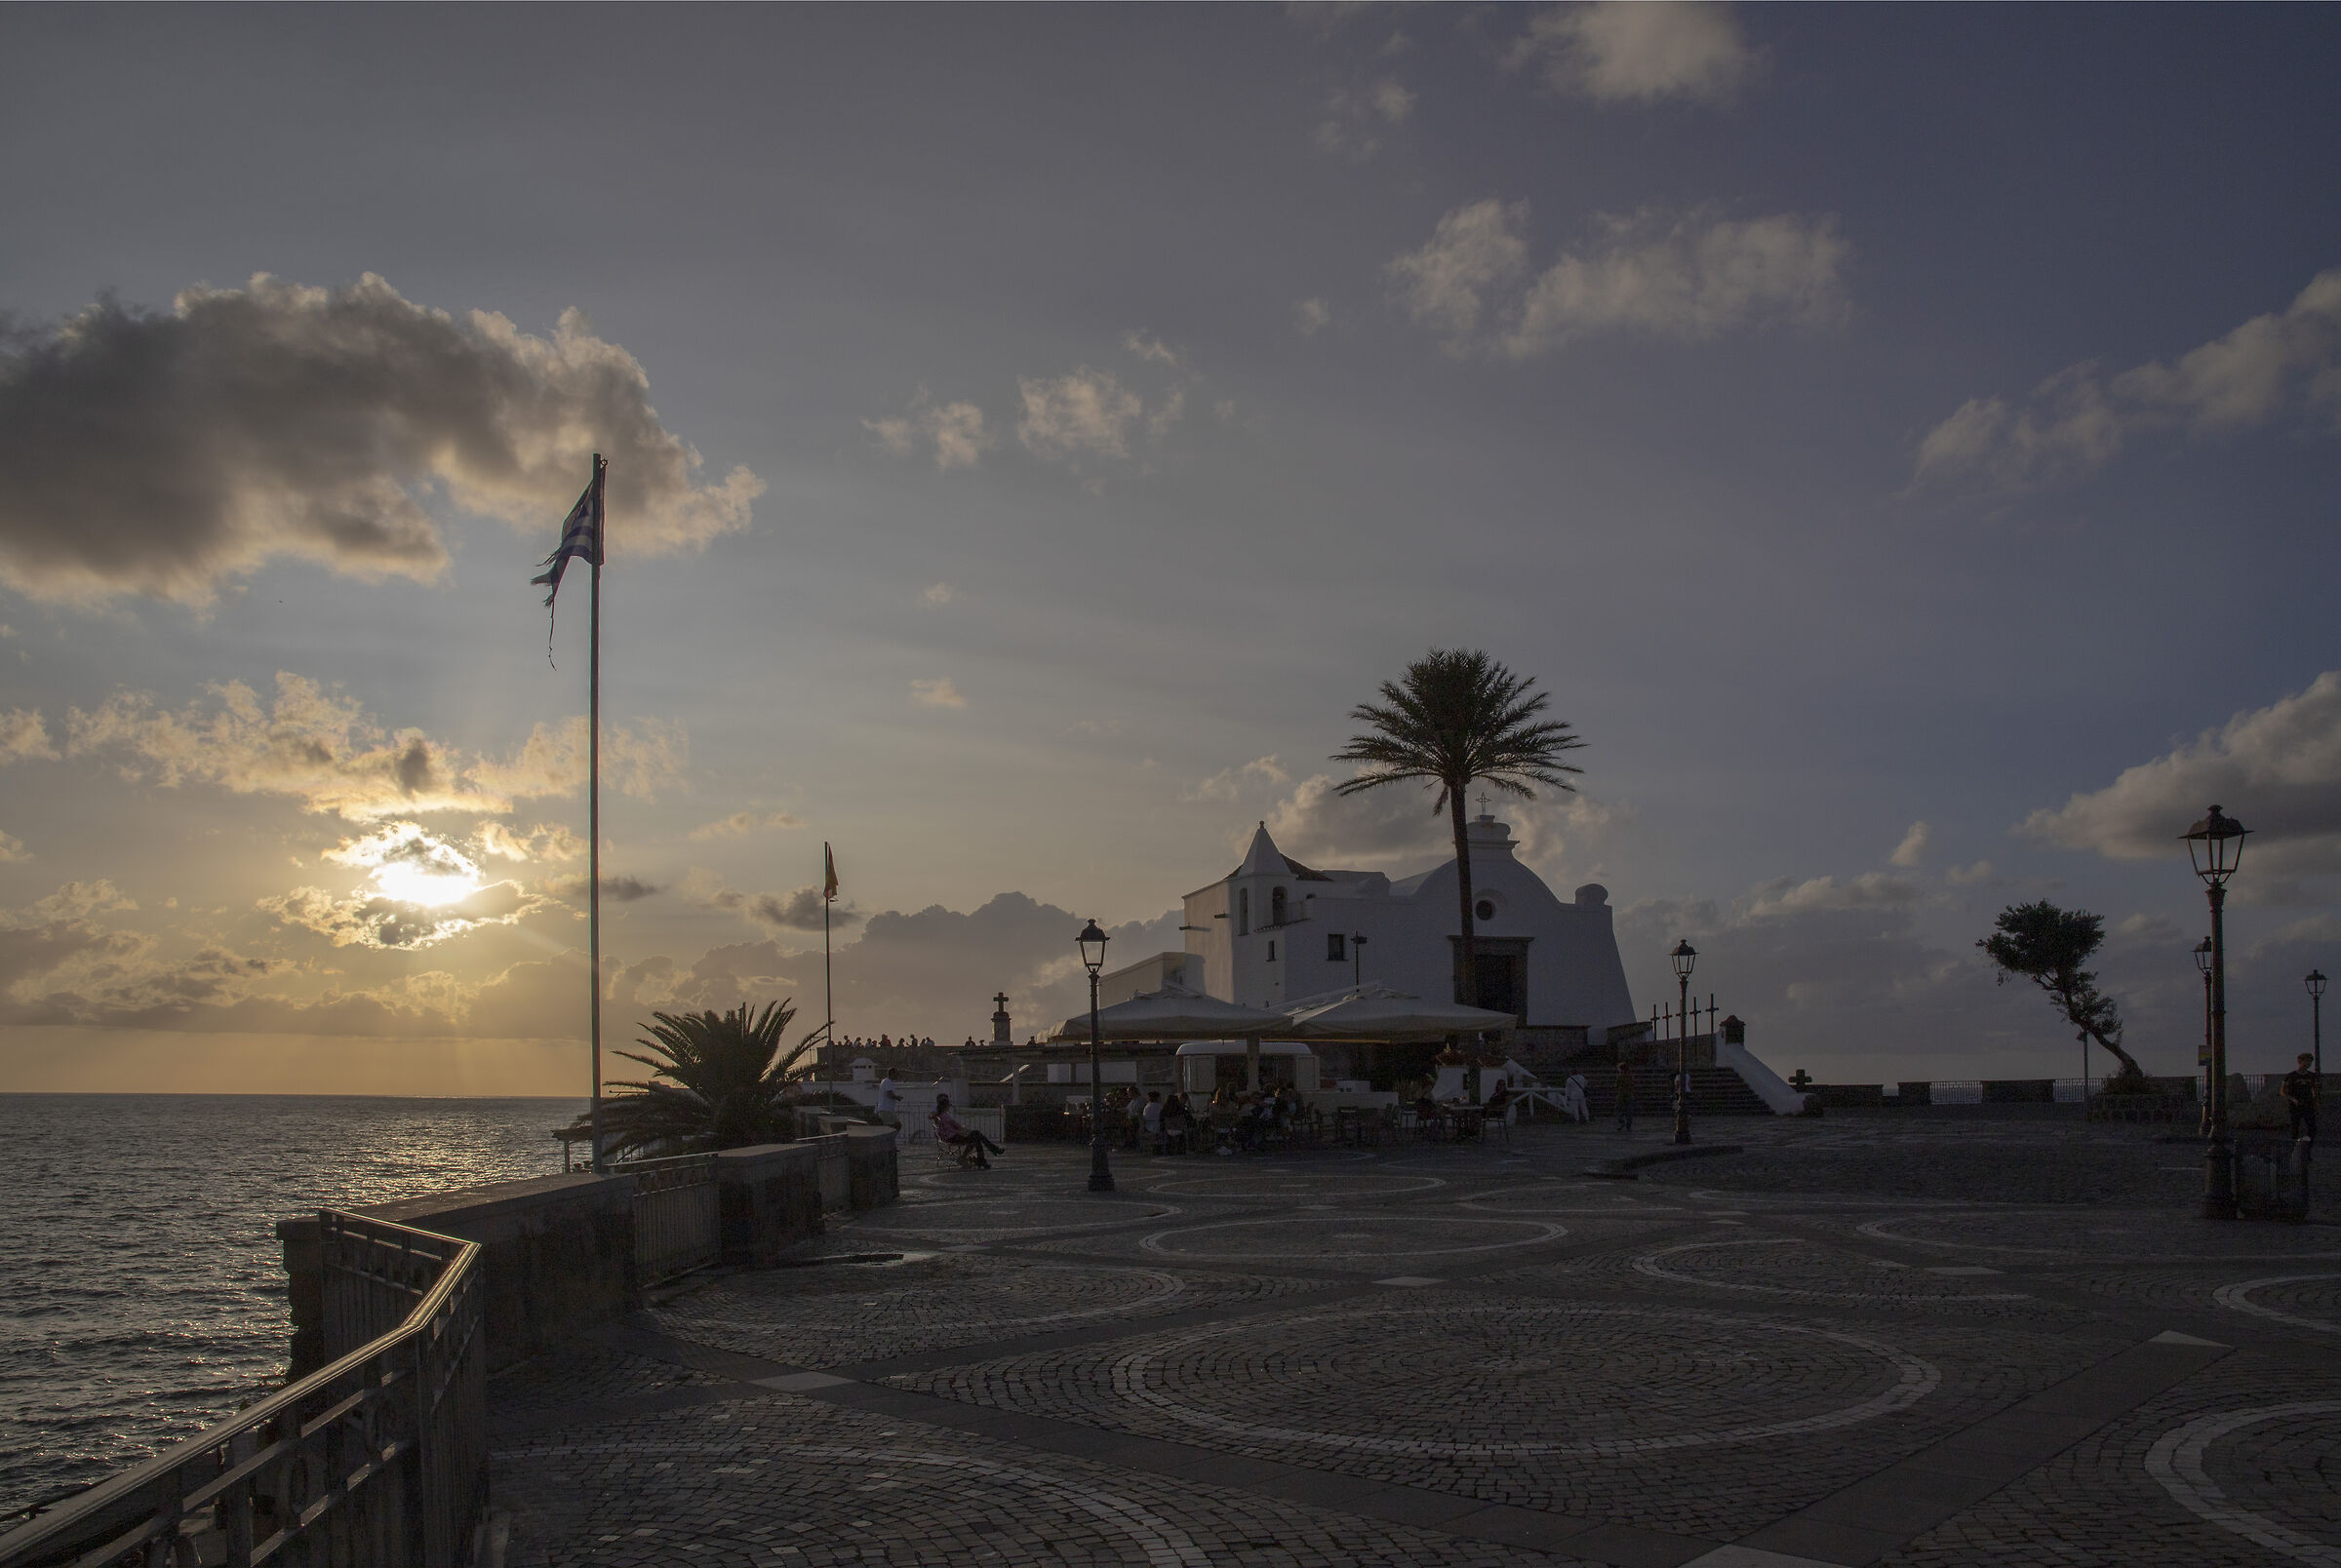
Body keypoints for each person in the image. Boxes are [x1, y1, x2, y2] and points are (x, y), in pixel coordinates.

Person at [932, 1093, 1002, 1168]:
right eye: (948, 1105)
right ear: (944, 1106)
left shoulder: (942, 1115)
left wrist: (963, 1130)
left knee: (976, 1137)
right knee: (976, 1135)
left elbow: (955, 1126)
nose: (949, 1107)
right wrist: (962, 1132)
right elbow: (950, 1129)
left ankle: (984, 1157)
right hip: (952, 1137)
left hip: (952, 1136)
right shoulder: (943, 1116)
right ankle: (989, 1153)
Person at [2283, 1052, 2320, 1144]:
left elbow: (2314, 1089)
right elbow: (2283, 1091)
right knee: (2295, 1127)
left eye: (2310, 1062)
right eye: (2307, 1061)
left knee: (2312, 1127)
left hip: (2308, 1104)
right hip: (2295, 1105)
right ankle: (2293, 1148)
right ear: (2300, 1061)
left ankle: (2308, 1147)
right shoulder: (2291, 1076)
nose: (2309, 1064)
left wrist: (2315, 1100)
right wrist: (2293, 1099)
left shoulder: (2311, 1076)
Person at [1614, 1061, 1636, 1133]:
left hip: (1621, 1096)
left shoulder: (1620, 1077)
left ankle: (1622, 1122)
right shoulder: (1631, 1076)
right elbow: (1633, 1085)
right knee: (1629, 1112)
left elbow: (1616, 1086)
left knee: (1618, 1110)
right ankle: (1628, 1126)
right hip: (1629, 1095)